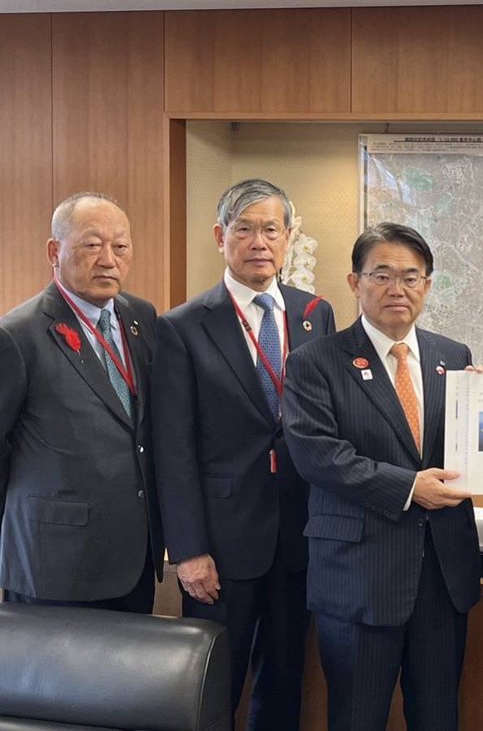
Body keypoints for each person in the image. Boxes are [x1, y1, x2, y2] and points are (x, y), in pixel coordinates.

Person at [152, 179, 336, 729]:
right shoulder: (182, 326)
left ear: (289, 237)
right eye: (245, 229)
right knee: (213, 690)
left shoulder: (315, 314)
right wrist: (189, 551)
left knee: (284, 684)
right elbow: (173, 448)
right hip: (222, 546)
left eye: (272, 229)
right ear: (220, 236)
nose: (260, 242)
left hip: (299, 537)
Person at [284, 223, 480, 731]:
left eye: (411, 277)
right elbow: (319, 455)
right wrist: (410, 487)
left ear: (427, 285)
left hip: (441, 578)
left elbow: (469, 447)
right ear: (355, 282)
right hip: (359, 579)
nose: (398, 289)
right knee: (356, 719)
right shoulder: (314, 362)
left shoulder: (453, 356)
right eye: (382, 275)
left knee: (438, 718)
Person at [0, 192, 161, 611]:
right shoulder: (17, 335)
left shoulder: (141, 318)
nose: (108, 259)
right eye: (92, 244)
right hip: (54, 563)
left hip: (133, 556)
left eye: (120, 246)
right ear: (54, 252)